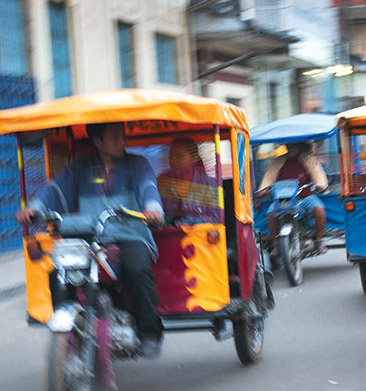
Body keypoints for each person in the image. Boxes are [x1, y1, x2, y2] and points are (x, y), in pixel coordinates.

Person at [16, 122, 165, 358]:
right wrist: (34, 209)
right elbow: (54, 190)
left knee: (137, 269)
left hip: (130, 234)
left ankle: (149, 333)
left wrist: (152, 209)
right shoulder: (79, 168)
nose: (122, 142)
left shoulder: (138, 165)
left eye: (122, 137)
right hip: (90, 237)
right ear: (98, 142)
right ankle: (69, 332)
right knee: (58, 273)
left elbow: (148, 188)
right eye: (115, 137)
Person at [257, 142, 329, 254]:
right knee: (271, 214)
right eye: (289, 146)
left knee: (319, 210)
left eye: (294, 145)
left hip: (304, 197)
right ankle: (276, 244)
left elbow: (317, 173)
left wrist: (320, 184)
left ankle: (319, 240)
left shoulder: (308, 159)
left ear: (300, 146)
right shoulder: (279, 161)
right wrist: (263, 188)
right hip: (284, 198)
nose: (291, 148)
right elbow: (269, 176)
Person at [157, 137, 220, 224]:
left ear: (194, 159)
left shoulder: (210, 185)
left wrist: (184, 223)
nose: (173, 161)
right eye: (171, 156)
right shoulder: (162, 182)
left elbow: (215, 220)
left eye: (179, 157)